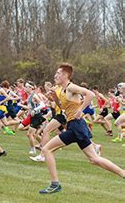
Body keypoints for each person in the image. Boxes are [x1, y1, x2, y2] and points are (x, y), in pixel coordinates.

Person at [39, 64, 125, 194]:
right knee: (94, 159)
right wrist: (55, 98)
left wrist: (80, 109)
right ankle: (123, 173)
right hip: (76, 126)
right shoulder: (62, 90)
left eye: (58, 73)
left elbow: (90, 94)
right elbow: (63, 107)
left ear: (65, 75)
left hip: (75, 126)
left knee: (47, 149)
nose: (55, 76)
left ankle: (55, 184)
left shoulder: (71, 87)